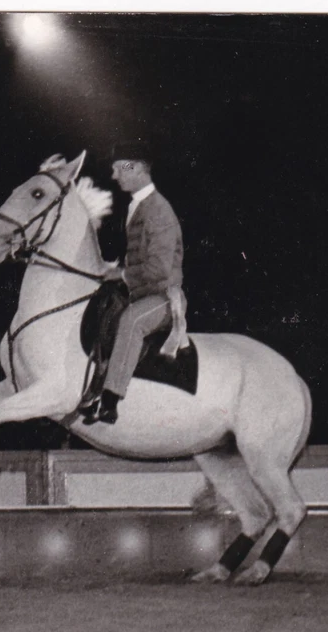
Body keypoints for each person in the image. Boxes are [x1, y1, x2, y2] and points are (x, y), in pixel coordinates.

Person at [83, 140, 185, 425]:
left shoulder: (158, 210)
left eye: (120, 168)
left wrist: (123, 274)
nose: (114, 175)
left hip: (164, 298)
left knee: (132, 320)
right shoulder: (138, 205)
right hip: (140, 293)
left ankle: (110, 401)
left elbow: (159, 268)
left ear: (138, 168)